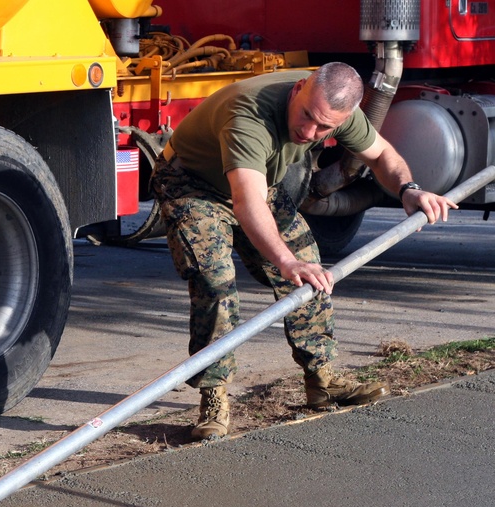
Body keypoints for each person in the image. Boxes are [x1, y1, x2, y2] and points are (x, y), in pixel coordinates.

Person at [151, 62, 457, 441]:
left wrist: (410, 188)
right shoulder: (250, 114)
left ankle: (323, 379)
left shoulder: (336, 109)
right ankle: (214, 396)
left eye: (324, 127)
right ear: (298, 89)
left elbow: (381, 155)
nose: (310, 132)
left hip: (256, 183)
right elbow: (247, 204)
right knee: (215, 282)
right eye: (307, 116)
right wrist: (285, 261)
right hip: (192, 185)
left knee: (312, 272)